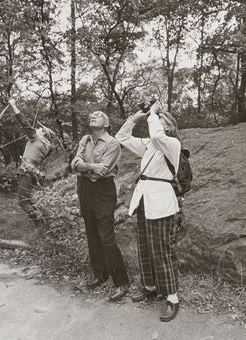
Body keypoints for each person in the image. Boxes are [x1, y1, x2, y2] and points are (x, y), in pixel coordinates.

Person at [115, 101, 181, 322]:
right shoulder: (149, 147)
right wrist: (135, 118)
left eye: (160, 120)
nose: (155, 122)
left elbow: (158, 137)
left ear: (168, 127)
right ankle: (151, 287)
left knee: (161, 249)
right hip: (144, 199)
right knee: (144, 246)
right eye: (155, 119)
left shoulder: (171, 144)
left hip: (161, 201)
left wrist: (153, 113)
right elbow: (122, 138)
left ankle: (172, 297)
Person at [71, 111, 130, 301]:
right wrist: (92, 166)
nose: (93, 116)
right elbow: (74, 163)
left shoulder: (112, 143)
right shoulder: (85, 139)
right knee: (91, 232)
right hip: (85, 189)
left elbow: (101, 171)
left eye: (98, 115)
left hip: (103, 190)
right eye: (91, 115)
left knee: (106, 236)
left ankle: (121, 282)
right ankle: (100, 274)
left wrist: (86, 167)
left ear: (106, 123)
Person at [8, 98, 70, 226]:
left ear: (43, 134)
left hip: (27, 170)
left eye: (40, 129)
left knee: (23, 202)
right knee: (28, 200)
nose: (37, 129)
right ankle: (41, 223)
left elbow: (24, 123)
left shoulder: (36, 139)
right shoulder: (46, 146)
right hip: (32, 171)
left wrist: (13, 105)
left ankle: (40, 224)